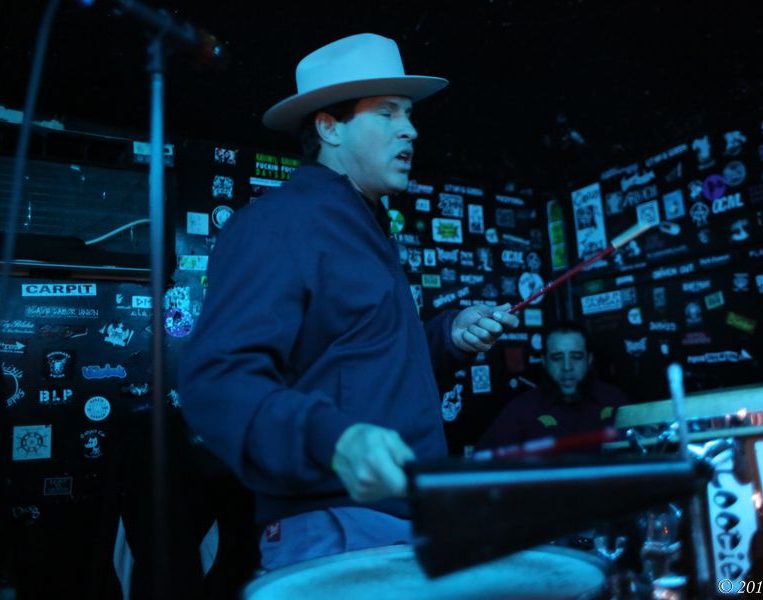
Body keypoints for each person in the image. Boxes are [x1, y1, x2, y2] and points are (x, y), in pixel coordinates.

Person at [178, 33, 519, 572]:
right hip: (335, 526)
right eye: (386, 112)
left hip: (407, 521)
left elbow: (360, 365)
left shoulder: (369, 229)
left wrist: (447, 337)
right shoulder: (278, 222)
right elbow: (214, 379)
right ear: (328, 127)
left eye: (408, 114)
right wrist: (332, 440)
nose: (410, 129)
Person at [477, 320, 627, 449]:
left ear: (589, 359)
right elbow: (483, 462)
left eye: (576, 356)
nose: (567, 366)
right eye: (557, 357)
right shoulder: (523, 410)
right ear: (545, 362)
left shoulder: (614, 400)